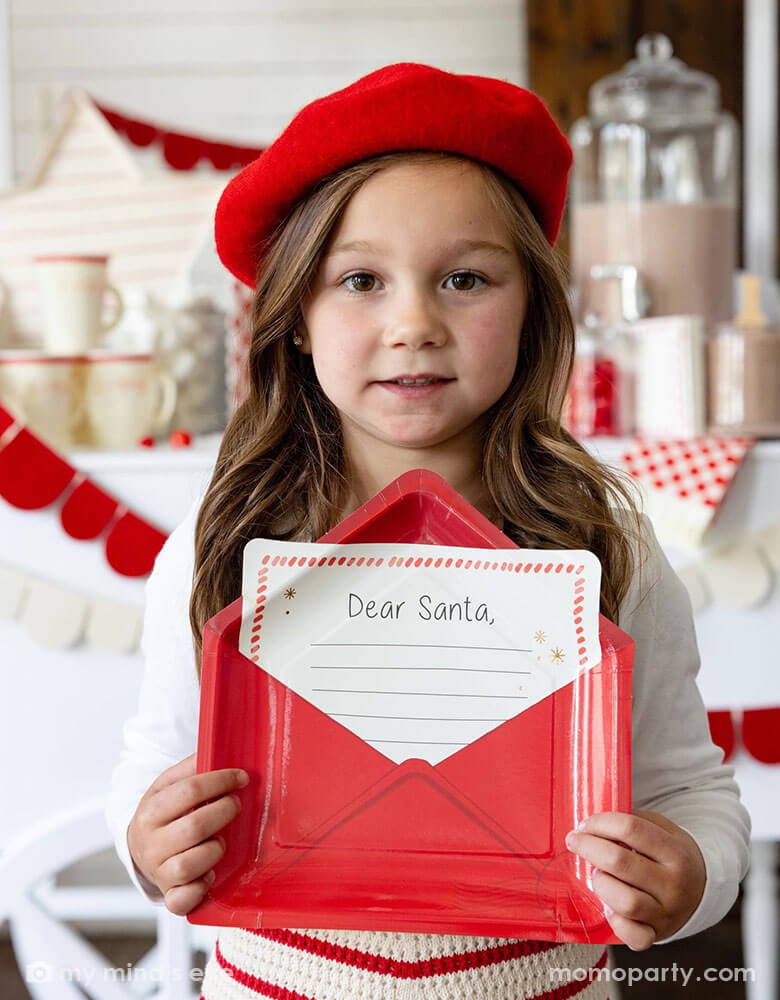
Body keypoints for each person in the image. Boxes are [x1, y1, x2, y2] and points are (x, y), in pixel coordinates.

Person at [106, 62, 751, 1000]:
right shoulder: (224, 545)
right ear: (294, 318)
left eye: (464, 279)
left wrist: (689, 876)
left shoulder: (600, 548)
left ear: (531, 306)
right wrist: (146, 840)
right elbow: (152, 764)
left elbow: (691, 791)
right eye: (361, 279)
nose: (414, 322)